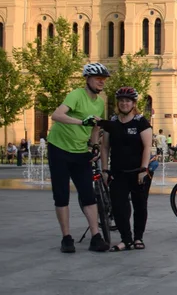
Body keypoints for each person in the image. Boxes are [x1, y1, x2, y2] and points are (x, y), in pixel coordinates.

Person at [47, 62, 111, 253]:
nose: (101, 82)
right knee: (61, 195)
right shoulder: (76, 95)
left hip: (80, 151)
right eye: (97, 78)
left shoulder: (100, 103)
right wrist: (80, 121)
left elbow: (95, 127)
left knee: (88, 194)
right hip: (59, 148)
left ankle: (96, 236)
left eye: (103, 79)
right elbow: (56, 115)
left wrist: (94, 145)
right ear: (87, 79)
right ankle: (66, 238)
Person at [99, 86, 153, 251]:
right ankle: (126, 239)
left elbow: (147, 147)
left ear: (133, 103)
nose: (124, 103)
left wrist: (143, 170)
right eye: (121, 100)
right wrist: (105, 169)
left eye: (128, 101)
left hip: (138, 172)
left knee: (140, 206)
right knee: (118, 207)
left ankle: (138, 238)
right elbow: (105, 147)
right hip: (118, 172)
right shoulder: (113, 122)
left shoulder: (140, 122)